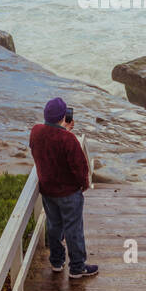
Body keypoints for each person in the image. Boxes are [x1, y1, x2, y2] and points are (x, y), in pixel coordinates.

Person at [29, 97, 97, 278]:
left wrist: (62, 130)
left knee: (54, 226)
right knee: (73, 229)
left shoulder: (36, 132)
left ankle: (57, 262)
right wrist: (83, 186)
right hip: (68, 193)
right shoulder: (68, 139)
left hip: (48, 191)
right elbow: (80, 168)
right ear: (64, 116)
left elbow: (47, 142)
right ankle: (77, 268)